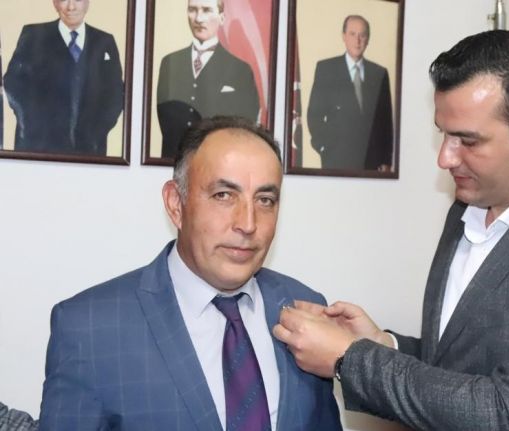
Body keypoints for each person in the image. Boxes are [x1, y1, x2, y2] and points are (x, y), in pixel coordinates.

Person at [274, 30, 509, 430]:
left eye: (467, 140)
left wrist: (350, 358)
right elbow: (461, 363)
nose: (445, 158)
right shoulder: (468, 204)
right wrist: (383, 344)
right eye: (443, 133)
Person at [39, 116, 342, 431]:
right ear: (175, 203)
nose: (248, 224)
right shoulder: (88, 328)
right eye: (224, 195)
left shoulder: (306, 309)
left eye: (265, 200)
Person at [3, 0, 123, 155]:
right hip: (37, 146)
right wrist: (30, 124)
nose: (71, 7)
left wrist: (95, 133)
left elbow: (115, 94)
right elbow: (13, 83)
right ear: (55, 3)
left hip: (89, 151)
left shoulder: (105, 41)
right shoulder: (33, 35)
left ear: (87, 3)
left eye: (78, 0)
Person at [157, 0, 260, 159]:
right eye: (192, 10)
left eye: (206, 10)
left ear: (221, 17)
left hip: (219, 161)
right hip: (173, 161)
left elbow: (245, 126)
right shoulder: (169, 62)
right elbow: (164, 117)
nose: (198, 18)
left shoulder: (241, 69)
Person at [307, 15, 393, 171]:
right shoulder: (326, 69)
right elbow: (314, 114)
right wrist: (323, 147)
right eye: (353, 34)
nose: (357, 40)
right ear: (344, 36)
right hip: (336, 159)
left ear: (368, 39)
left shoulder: (379, 73)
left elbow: (386, 122)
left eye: (362, 35)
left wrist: (386, 160)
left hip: (371, 164)